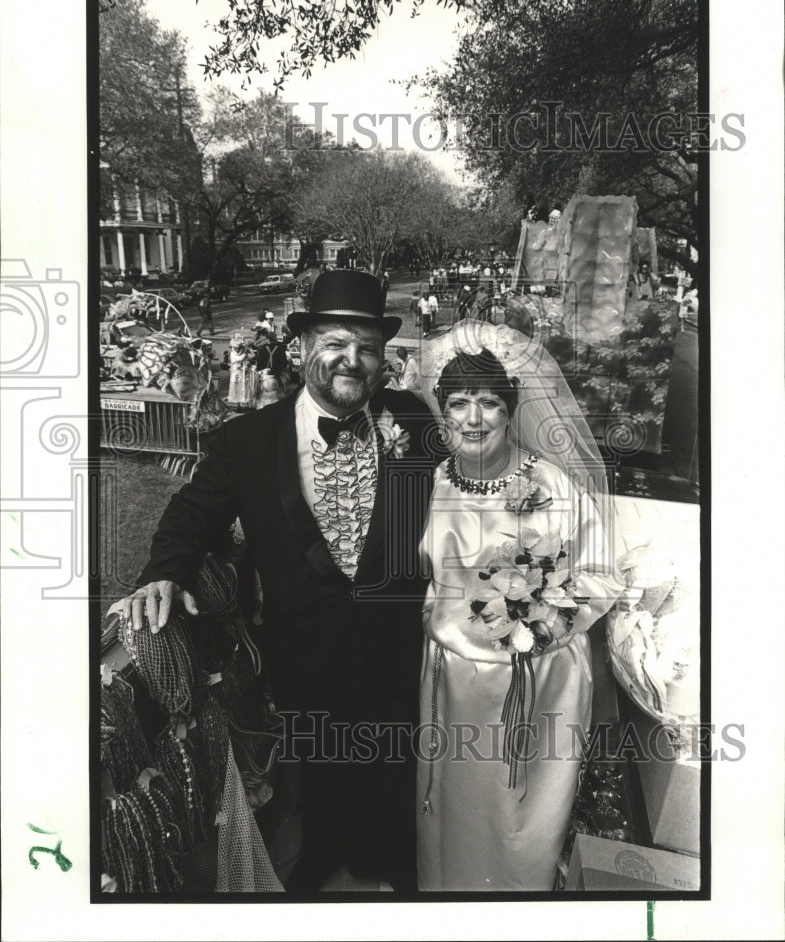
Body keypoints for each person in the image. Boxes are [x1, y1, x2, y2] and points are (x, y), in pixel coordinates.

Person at [110, 270, 442, 894]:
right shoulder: (248, 440)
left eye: (367, 347)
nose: (352, 359)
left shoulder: (413, 422)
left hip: (396, 635)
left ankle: (392, 857)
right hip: (301, 640)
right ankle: (322, 851)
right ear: (303, 347)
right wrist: (163, 573)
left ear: (382, 358)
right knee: (316, 756)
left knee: (394, 751)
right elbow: (190, 512)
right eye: (336, 342)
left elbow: (466, 496)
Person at [415, 320, 623, 891]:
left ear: (511, 410)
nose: (473, 418)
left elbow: (602, 574)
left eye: (489, 403)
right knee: (454, 811)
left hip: (536, 682)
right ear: (442, 409)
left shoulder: (552, 485)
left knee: (517, 818)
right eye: (459, 403)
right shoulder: (429, 484)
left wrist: (542, 620)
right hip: (450, 684)